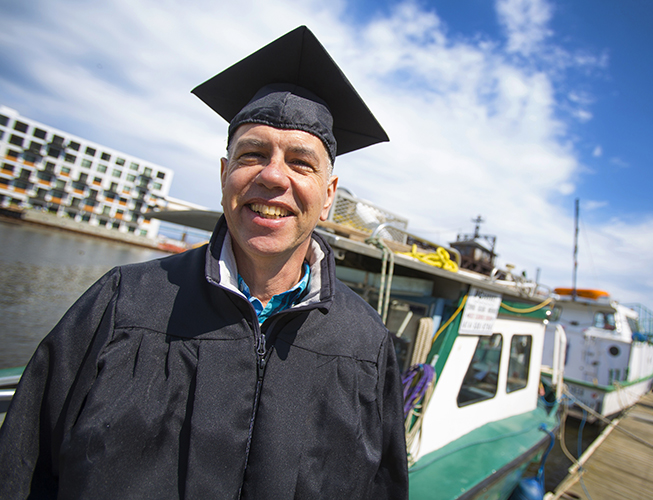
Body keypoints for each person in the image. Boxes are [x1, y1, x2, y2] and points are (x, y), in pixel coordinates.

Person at [0, 26, 409, 499]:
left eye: (301, 162)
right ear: (224, 175)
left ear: (328, 196)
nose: (273, 175)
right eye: (253, 154)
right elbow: (23, 470)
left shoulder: (365, 343)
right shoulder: (122, 304)